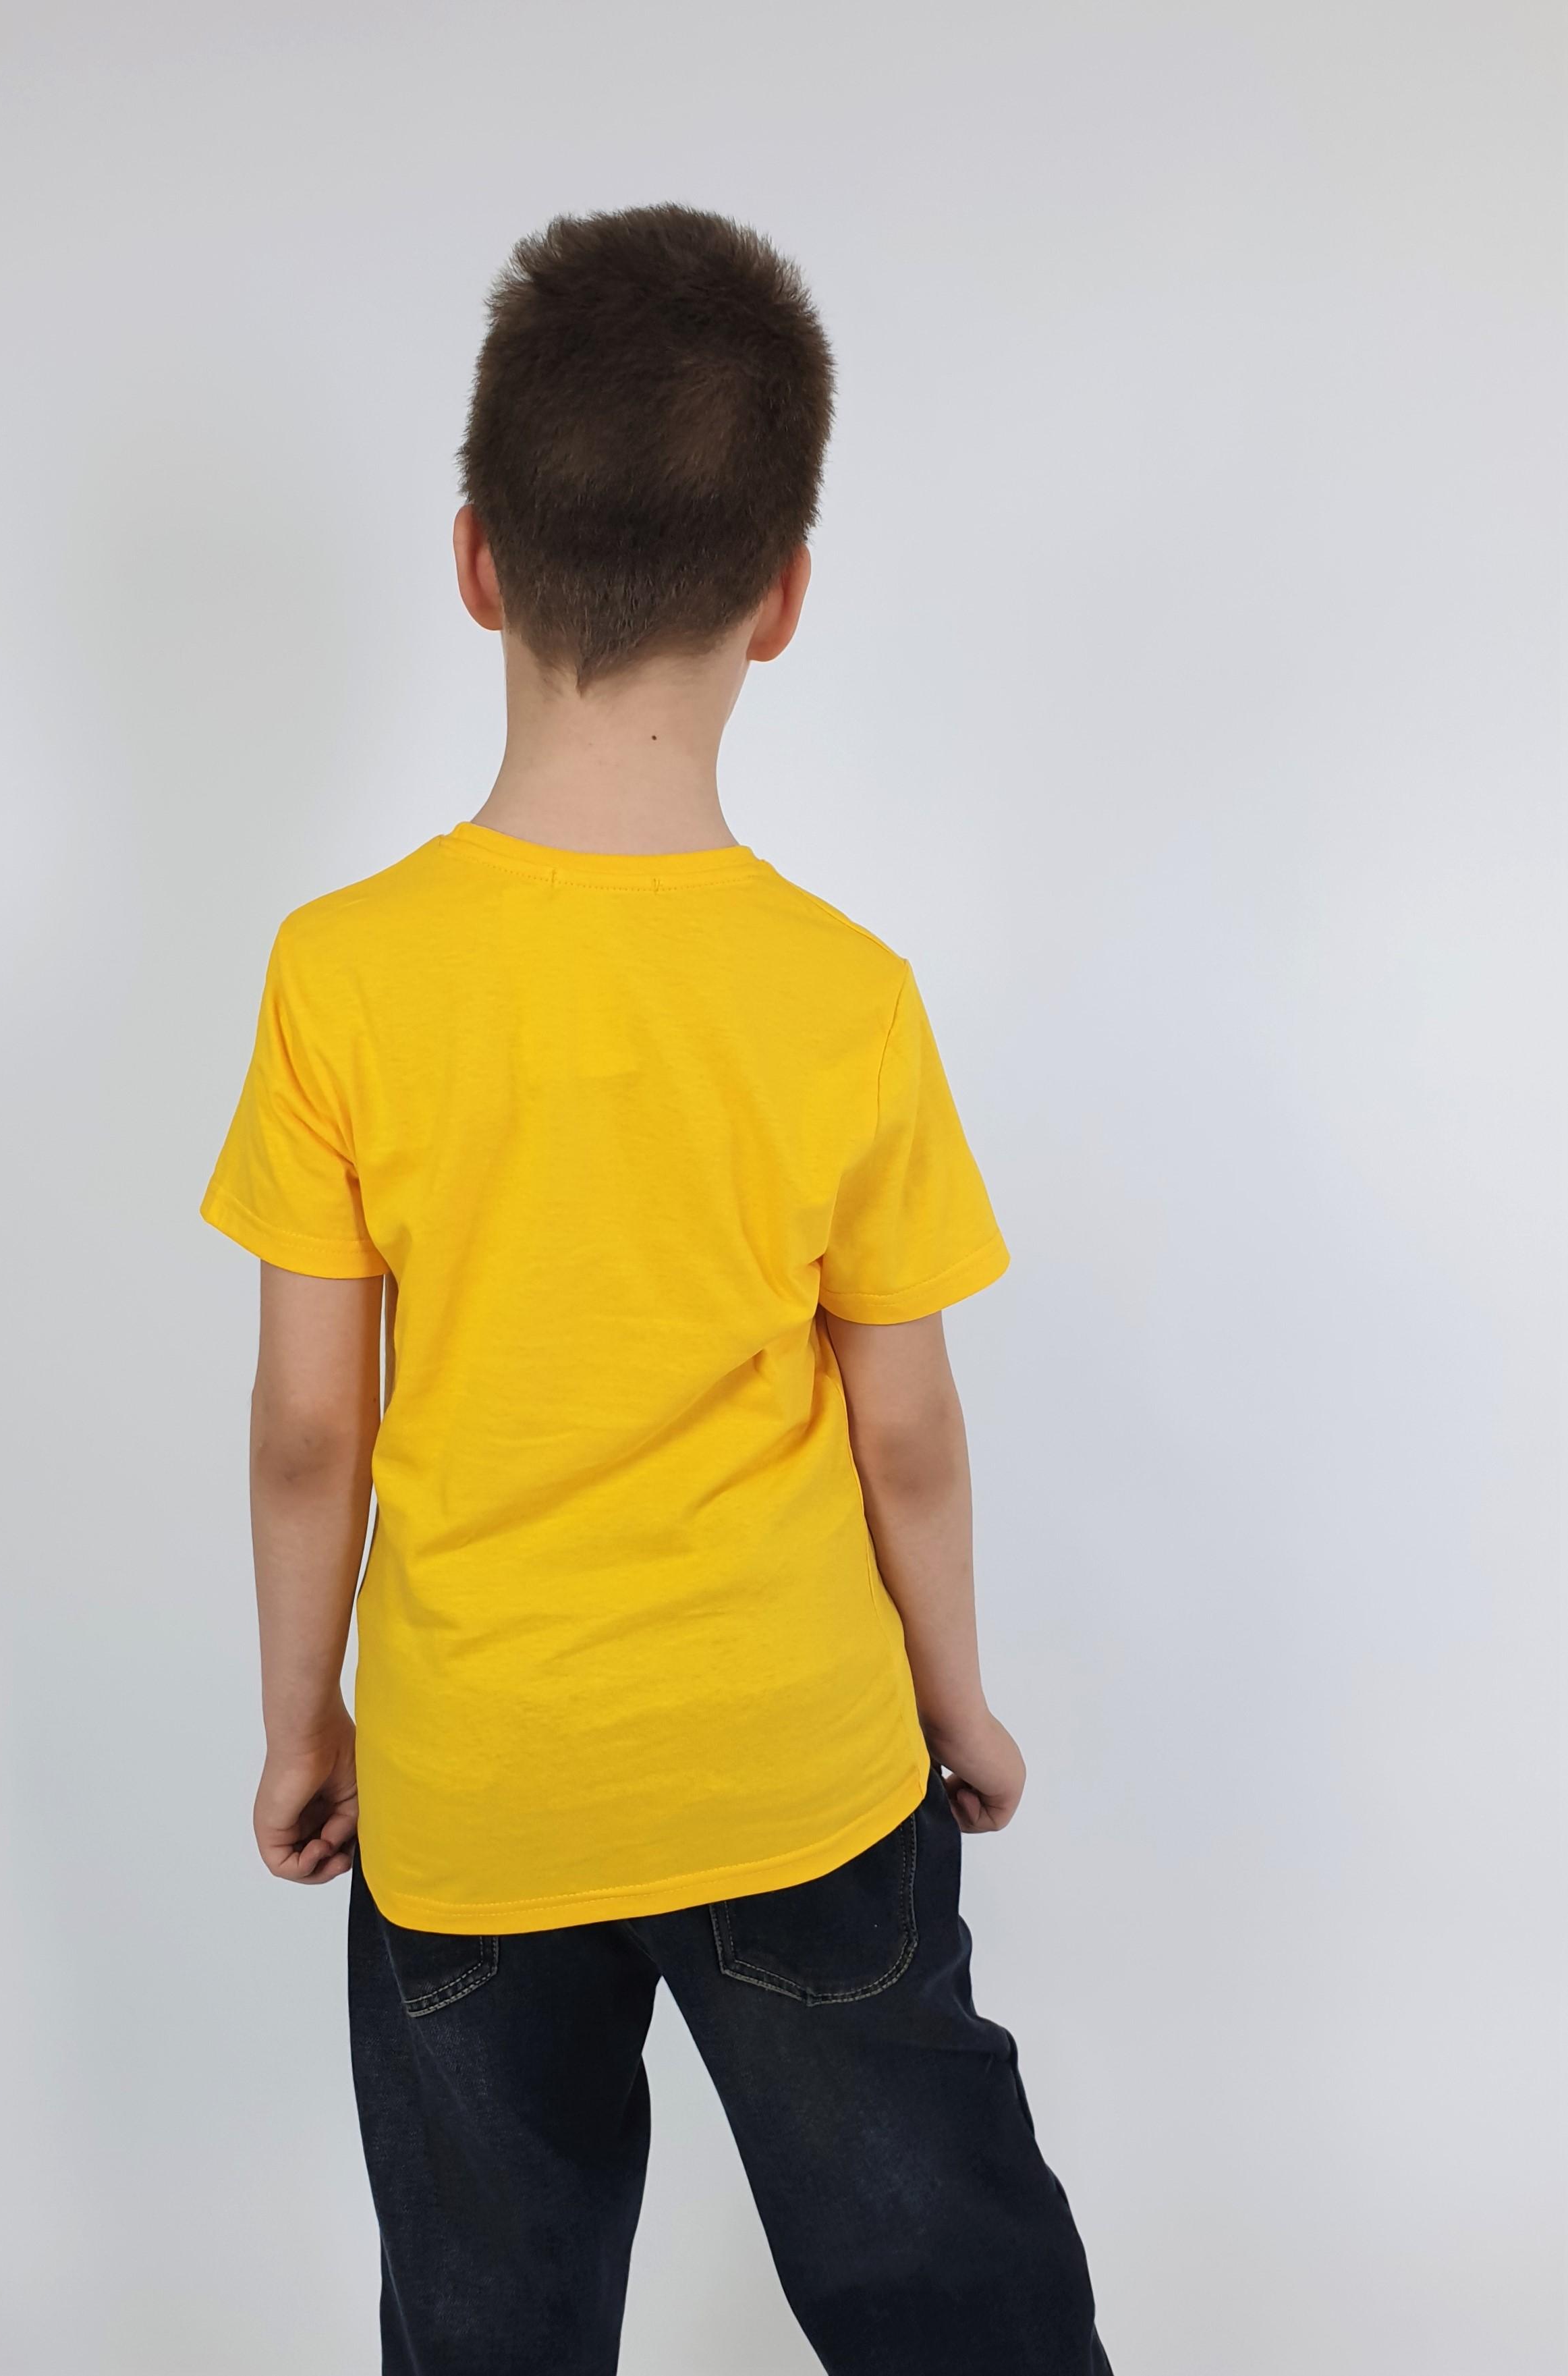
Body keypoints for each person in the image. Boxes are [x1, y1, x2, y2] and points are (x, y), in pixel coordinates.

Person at [202, 202, 1111, 2376]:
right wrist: (957, 1699)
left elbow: (312, 1424)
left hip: (473, 1789)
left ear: (474, 562)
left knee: (491, 2317)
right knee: (948, 2287)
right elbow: (905, 1421)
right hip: (796, 1768)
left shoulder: (343, 975)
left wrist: (306, 1720)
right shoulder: (841, 997)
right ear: (781, 594)